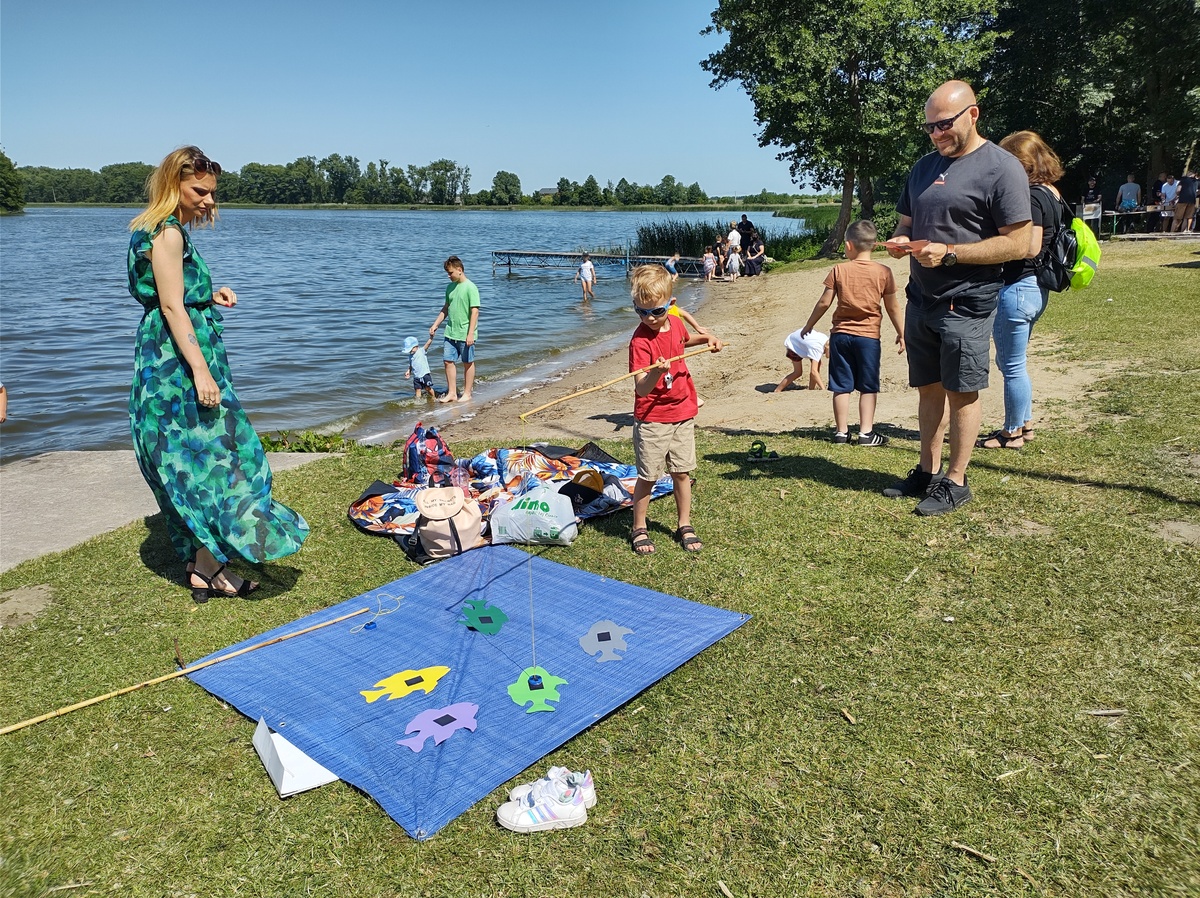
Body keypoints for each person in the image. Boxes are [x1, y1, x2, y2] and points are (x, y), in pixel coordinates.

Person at [127, 146, 308, 602]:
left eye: (212, 192)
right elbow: (170, 305)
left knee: (187, 459)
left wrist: (209, 295)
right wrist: (202, 371)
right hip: (181, 367)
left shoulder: (150, 229)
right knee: (233, 457)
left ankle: (200, 559)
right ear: (175, 184)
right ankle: (210, 567)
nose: (209, 200)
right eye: (200, 191)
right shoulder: (168, 233)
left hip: (163, 357)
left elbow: (171, 297)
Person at [884, 80, 1032, 515]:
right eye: (929, 127)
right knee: (927, 388)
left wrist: (949, 254)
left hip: (966, 300)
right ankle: (928, 471)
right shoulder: (923, 167)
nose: (936, 134)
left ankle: (956, 480)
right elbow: (905, 224)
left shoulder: (1002, 168)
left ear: (973, 114)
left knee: (961, 391)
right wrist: (901, 241)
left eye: (944, 124)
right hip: (921, 298)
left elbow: (1020, 243)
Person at [976, 131, 1063, 451]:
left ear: (1023, 164)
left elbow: (1030, 246)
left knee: (1011, 366)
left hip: (1018, 288)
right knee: (1016, 363)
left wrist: (997, 246)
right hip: (1036, 289)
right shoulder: (1052, 193)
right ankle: (1024, 425)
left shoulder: (1031, 196)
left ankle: (1011, 432)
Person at [626, 265, 721, 555]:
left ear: (672, 304)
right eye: (641, 312)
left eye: (656, 311)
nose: (650, 318)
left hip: (682, 413)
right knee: (649, 476)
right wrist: (656, 372)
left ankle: (684, 523)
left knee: (682, 472)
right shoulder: (639, 341)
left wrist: (706, 338)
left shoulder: (677, 324)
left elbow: (682, 341)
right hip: (653, 418)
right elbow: (642, 388)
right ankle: (639, 526)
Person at [801, 220, 904, 445]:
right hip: (868, 338)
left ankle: (841, 432)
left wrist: (809, 325)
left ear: (848, 245)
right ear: (875, 246)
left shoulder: (839, 270)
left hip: (840, 336)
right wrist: (901, 332)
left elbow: (823, 303)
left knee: (841, 385)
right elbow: (892, 306)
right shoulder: (884, 272)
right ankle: (866, 432)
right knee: (868, 386)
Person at [429, 255, 480, 403]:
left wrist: (470, 333)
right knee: (447, 361)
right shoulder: (450, 287)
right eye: (447, 273)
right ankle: (452, 392)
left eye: (450, 273)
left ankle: (467, 393)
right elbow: (446, 308)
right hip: (450, 332)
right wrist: (435, 324)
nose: (448, 276)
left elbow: (475, 312)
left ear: (459, 270)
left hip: (466, 333)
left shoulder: (471, 287)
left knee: (467, 362)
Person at [403, 335, 438, 401]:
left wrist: (431, 337)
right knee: (417, 390)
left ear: (416, 346)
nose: (410, 352)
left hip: (425, 374)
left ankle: (434, 397)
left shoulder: (421, 351)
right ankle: (418, 402)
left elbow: (428, 344)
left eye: (410, 350)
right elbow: (411, 365)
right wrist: (408, 371)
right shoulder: (410, 356)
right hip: (416, 377)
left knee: (428, 388)